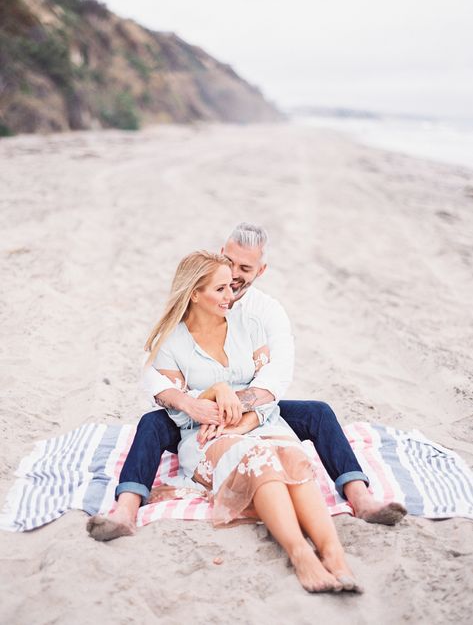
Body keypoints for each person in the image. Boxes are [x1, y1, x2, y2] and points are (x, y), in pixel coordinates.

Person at [89, 223, 405, 537]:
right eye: (229, 263)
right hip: (194, 416)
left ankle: (359, 497)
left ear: (260, 270)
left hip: (251, 408)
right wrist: (192, 404)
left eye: (245, 267)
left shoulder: (264, 312)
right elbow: (152, 367)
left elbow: (278, 373)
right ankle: (126, 510)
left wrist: (236, 411)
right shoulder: (194, 299)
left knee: (318, 412)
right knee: (151, 424)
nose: (234, 275)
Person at [89, 251, 361, 593]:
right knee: (260, 461)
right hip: (206, 436)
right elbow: (179, 411)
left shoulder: (249, 326)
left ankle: (335, 556)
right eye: (220, 290)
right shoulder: (171, 342)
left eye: (230, 287)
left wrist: (247, 419)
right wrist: (218, 391)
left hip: (262, 422)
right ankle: (301, 554)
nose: (230, 296)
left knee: (291, 459)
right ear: (194, 294)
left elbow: (269, 390)